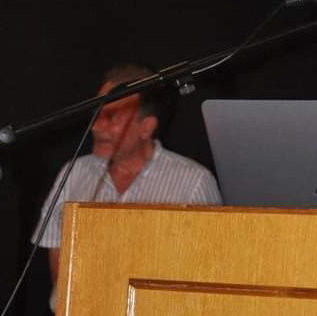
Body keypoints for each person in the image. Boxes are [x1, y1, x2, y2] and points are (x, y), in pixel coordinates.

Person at [31, 63, 222, 311]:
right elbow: (56, 247)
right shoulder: (74, 172)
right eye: (96, 114)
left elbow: (214, 272)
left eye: (111, 117)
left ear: (147, 127)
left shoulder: (193, 182)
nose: (96, 126)